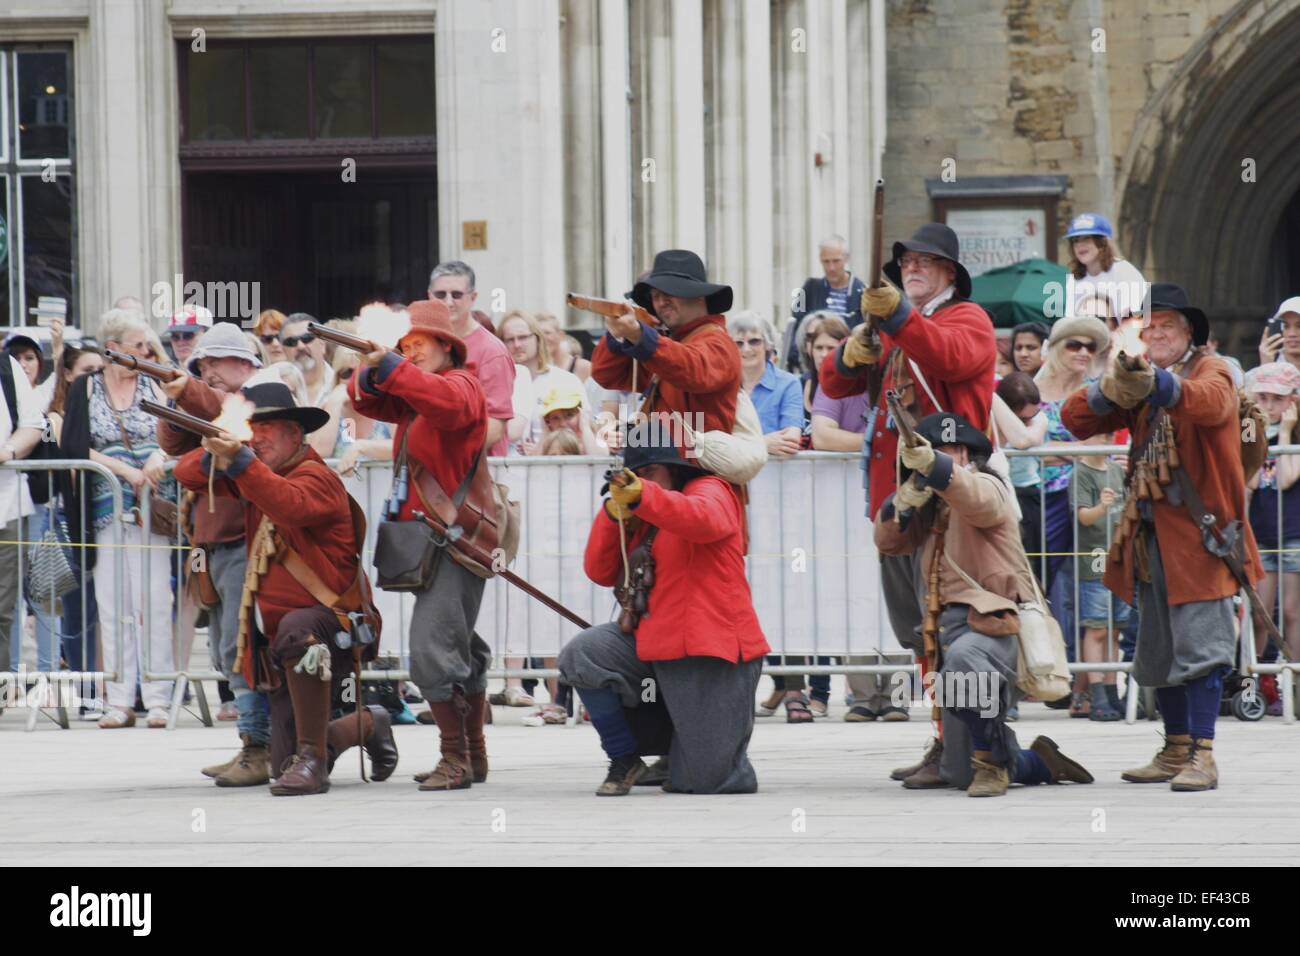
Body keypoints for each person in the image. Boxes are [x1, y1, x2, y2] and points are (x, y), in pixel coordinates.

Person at [1063, 283, 1263, 791]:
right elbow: (1074, 419)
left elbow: (1213, 405)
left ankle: (1203, 753)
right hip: (1152, 536)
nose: (1156, 333)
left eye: (1166, 325)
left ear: (1189, 332)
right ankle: (1175, 750)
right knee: (1159, 650)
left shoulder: (1211, 369)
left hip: (1204, 537)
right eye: (1148, 326)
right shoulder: (1139, 380)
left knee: (1201, 648)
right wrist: (1111, 387)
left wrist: (1158, 385)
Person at [818, 222, 997, 787]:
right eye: (907, 262)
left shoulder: (966, 319)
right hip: (897, 500)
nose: (913, 268)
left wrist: (895, 319)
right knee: (915, 629)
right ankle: (948, 741)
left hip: (947, 495)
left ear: (949, 273)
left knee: (949, 626)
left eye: (925, 262)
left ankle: (978, 749)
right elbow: (835, 385)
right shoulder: (896, 326)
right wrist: (852, 352)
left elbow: (947, 358)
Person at [175, 381, 396, 795]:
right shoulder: (256, 472)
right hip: (283, 642)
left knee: (298, 629)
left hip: (333, 623)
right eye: (249, 428)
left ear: (295, 433)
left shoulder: (314, 476)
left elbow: (287, 503)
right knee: (280, 763)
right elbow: (185, 473)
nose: (255, 437)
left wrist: (239, 458)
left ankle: (314, 760)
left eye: (267, 427)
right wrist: (216, 450)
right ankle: (368, 723)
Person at [876, 412, 1093, 795]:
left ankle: (992, 763)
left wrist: (936, 469)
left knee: (966, 660)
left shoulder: (991, 486)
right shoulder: (928, 505)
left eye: (954, 450)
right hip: (946, 632)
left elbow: (976, 500)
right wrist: (906, 497)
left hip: (992, 624)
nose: (947, 455)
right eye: (937, 450)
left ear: (969, 454)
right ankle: (1036, 761)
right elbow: (888, 541)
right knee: (959, 773)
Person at [558, 428, 769, 794]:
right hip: (655, 648)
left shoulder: (711, 490)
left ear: (673, 469)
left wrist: (644, 498)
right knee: (583, 654)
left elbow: (704, 520)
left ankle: (695, 752)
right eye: (637, 476)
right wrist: (615, 515)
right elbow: (598, 570)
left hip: (712, 652)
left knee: (708, 782)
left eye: (650, 472)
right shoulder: (642, 507)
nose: (642, 482)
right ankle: (625, 759)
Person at [349, 299, 494, 792]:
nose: (410, 353)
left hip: (455, 540)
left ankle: (454, 757)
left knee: (432, 649)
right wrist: (372, 365)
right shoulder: (414, 391)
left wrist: (390, 364)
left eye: (418, 345)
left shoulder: (461, 386)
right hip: (430, 539)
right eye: (404, 346)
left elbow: (448, 405)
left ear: (445, 346)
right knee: (455, 644)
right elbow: (364, 399)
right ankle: (471, 754)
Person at [156, 323, 272, 785]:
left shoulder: (262, 399)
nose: (209, 370)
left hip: (248, 541)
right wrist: (176, 398)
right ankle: (252, 743)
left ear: (246, 365)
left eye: (217, 362)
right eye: (202, 364)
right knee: (227, 651)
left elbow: (224, 421)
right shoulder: (203, 399)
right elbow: (171, 445)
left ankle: (260, 746)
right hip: (212, 540)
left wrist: (188, 390)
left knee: (244, 648)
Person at [59, 309, 177, 728]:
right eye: (138, 344)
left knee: (154, 603)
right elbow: (73, 444)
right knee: (112, 604)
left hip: (153, 507)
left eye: (146, 344)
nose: (146, 351)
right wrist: (124, 470)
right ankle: (120, 698)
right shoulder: (87, 388)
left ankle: (159, 695)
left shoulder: (156, 382)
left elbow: (177, 433)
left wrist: (160, 459)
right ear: (113, 348)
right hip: (106, 506)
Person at [1033, 315, 1109, 715]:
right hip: (1035, 498)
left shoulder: (1097, 392)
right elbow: (1018, 442)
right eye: (1074, 345)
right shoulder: (1030, 389)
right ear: (1056, 348)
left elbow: (1098, 448)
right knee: (1037, 587)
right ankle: (1042, 678)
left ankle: (1085, 688)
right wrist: (1068, 452)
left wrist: (1050, 450)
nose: (1083, 352)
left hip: (1084, 496)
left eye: (1090, 347)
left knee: (1087, 591)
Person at [591, 249, 741, 439]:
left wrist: (640, 335)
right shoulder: (665, 347)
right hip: (660, 464)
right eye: (655, 296)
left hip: (698, 465)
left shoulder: (718, 342)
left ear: (698, 295)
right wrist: (618, 334)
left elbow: (691, 368)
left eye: (670, 292)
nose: (661, 302)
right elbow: (607, 375)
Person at [46, 345, 105, 718]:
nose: (96, 375)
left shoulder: (105, 410)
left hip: (99, 513)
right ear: (69, 374)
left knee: (106, 605)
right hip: (68, 518)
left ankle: (108, 686)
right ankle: (85, 688)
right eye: (87, 369)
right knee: (77, 607)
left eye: (101, 368)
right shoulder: (56, 416)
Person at [1243, 362, 1300, 714]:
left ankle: (1293, 677)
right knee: (1259, 611)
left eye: (1275, 399)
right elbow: (1249, 480)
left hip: (1293, 534)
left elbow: (1284, 479)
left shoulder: (1294, 435)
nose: (1267, 405)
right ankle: (1257, 680)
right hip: (1261, 533)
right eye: (1261, 397)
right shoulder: (1250, 432)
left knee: (1293, 611)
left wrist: (1286, 432)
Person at [1071, 431, 1133, 721]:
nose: (1105, 440)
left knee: (1115, 628)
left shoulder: (1116, 470)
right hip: (1093, 559)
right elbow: (1083, 516)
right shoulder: (1081, 472)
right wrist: (1102, 507)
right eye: (1098, 435)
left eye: (1108, 435)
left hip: (1118, 557)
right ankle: (1095, 693)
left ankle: (1110, 690)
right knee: (1096, 627)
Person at [428, 261, 516, 457]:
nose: (448, 302)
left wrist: (443, 454)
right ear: (429, 296)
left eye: (457, 295)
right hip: (427, 472)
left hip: (479, 473)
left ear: (473, 297)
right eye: (441, 294)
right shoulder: (422, 343)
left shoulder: (492, 350)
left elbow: (495, 426)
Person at [0, 343, 45, 682]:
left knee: (3, 607)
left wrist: (8, 450)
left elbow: (33, 425)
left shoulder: (8, 369)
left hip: (8, 504)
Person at [498, 308, 590, 446]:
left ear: (538, 338)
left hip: (555, 464)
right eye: (510, 339)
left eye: (523, 337)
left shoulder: (565, 380)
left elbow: (585, 428)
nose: (517, 344)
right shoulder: (496, 384)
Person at [785, 235, 867, 372]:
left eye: (836, 261)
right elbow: (794, 327)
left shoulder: (863, 292)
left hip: (848, 367)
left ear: (846, 259)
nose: (831, 267)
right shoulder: (807, 288)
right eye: (826, 262)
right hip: (811, 367)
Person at [728, 311, 802, 459]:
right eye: (739, 343)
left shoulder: (788, 383)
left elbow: (791, 440)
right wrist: (763, 443)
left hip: (775, 477)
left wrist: (737, 445)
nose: (746, 349)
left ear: (768, 345)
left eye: (754, 341)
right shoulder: (720, 383)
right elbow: (709, 441)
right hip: (728, 476)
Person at [1065, 213, 1147, 317]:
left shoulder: (1124, 271)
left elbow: (1136, 319)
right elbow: (1070, 320)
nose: (1079, 244)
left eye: (1086, 238)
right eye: (1075, 240)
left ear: (1102, 243)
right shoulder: (1074, 278)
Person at [534, 382, 607, 455]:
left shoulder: (595, 439)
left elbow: (600, 461)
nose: (563, 424)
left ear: (580, 414)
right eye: (555, 418)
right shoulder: (548, 442)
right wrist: (544, 432)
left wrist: (585, 428)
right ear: (547, 421)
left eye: (569, 415)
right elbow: (535, 465)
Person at [278, 313, 334, 408]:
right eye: (292, 342)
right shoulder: (276, 389)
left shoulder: (341, 384)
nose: (300, 346)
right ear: (283, 350)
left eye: (307, 338)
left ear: (322, 344)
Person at [1258, 296, 1300, 373]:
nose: (1292, 334)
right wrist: (1266, 367)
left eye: (1299, 326)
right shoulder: (1269, 365)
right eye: (1286, 326)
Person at [165, 304, 214, 369]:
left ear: (207, 335)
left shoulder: (219, 374)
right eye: (175, 337)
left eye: (188, 336)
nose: (180, 343)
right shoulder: (164, 372)